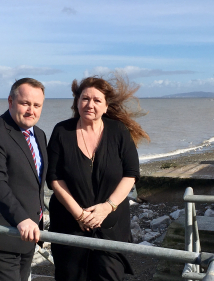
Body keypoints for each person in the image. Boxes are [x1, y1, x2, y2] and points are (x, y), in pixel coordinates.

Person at [47, 75, 149, 281]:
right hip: (69, 227)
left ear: (105, 106)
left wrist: (107, 207)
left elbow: (131, 174)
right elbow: (54, 178)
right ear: (76, 102)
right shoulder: (62, 131)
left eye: (96, 100)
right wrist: (79, 214)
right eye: (85, 98)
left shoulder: (119, 131)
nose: (90, 104)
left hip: (111, 228)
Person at [0, 78, 48, 281]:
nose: (31, 110)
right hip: (1, 233)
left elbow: (34, 182)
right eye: (25, 103)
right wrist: (21, 219)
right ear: (10, 101)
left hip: (30, 233)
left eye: (37, 105)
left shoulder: (39, 135)